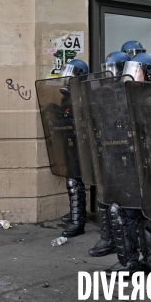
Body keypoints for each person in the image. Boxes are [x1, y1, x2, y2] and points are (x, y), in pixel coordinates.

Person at [103, 52, 151, 276]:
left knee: (126, 213)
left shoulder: (146, 100)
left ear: (148, 75)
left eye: (135, 70)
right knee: (148, 214)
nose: (129, 75)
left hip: (136, 167)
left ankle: (129, 262)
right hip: (148, 169)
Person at [88, 51, 131, 258]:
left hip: (124, 152)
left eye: (114, 68)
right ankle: (108, 238)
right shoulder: (104, 92)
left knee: (122, 203)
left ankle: (121, 243)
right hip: (107, 149)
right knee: (104, 198)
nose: (110, 73)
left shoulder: (129, 90)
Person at [58, 59, 90, 238]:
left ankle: (78, 221)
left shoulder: (83, 96)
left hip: (81, 143)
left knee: (75, 180)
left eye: (71, 74)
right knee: (71, 178)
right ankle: (76, 213)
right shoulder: (68, 95)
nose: (66, 78)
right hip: (69, 141)